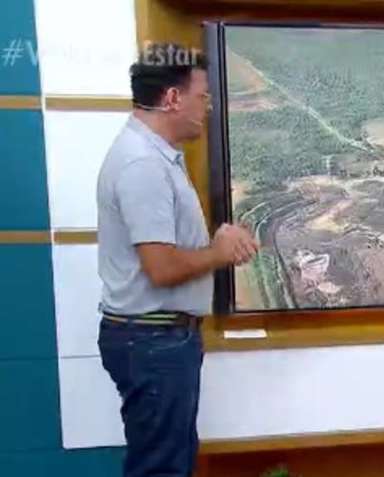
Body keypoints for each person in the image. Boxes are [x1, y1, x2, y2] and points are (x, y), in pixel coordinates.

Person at [96, 43, 258, 477]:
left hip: (158, 342)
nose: (206, 107)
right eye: (202, 97)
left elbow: (165, 245)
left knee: (172, 459)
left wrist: (214, 240)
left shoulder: (155, 155)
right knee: (162, 468)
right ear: (171, 98)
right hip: (153, 343)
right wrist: (219, 253)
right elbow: (162, 267)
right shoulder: (142, 164)